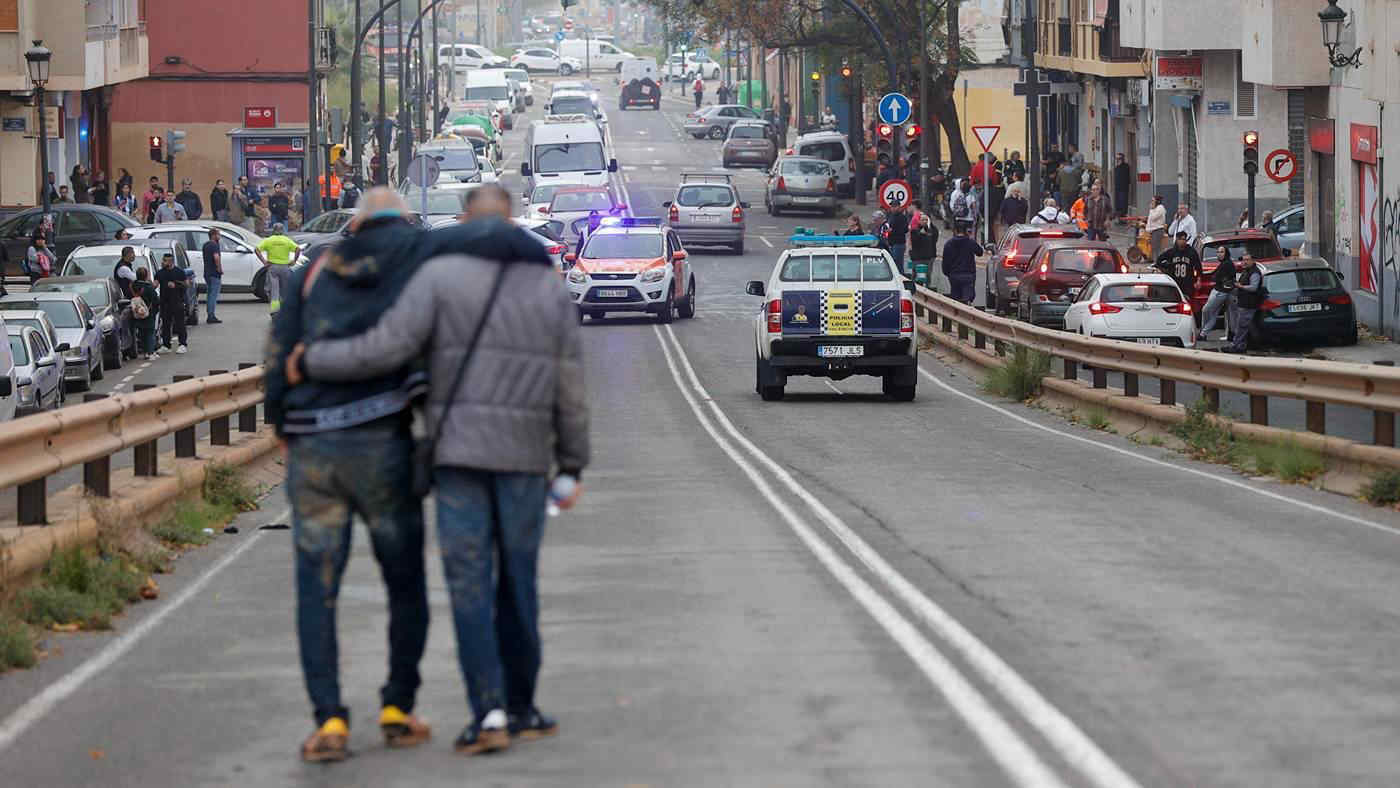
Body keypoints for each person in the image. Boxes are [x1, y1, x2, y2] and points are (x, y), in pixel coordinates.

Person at [273, 186, 581, 760]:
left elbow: (336, 348)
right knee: (465, 581)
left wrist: (297, 393)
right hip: (461, 449)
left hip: (386, 448)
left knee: (350, 588)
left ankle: (360, 719)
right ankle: (461, 707)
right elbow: (566, 380)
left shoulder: (366, 273)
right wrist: (572, 460)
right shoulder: (492, 272)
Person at [257, 222, 301, 316]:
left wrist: (264, 262)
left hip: (273, 267)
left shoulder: (269, 240)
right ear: (282, 230)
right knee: (285, 290)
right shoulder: (287, 240)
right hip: (285, 268)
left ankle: (274, 311)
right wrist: (294, 261)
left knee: (274, 290)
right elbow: (298, 249)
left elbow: (257, 249)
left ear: (273, 230)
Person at [1198, 246, 1236, 342]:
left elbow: (1217, 277)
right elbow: (1215, 274)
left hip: (1220, 292)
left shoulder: (1227, 264)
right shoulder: (1224, 263)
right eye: (1218, 252)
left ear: (1226, 253)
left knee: (1207, 310)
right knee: (1223, 314)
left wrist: (1215, 278)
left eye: (1222, 252)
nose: (1219, 254)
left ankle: (1203, 333)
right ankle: (1204, 333)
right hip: (1223, 291)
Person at [154, 252, 188, 354]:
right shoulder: (160, 273)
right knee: (165, 324)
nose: (162, 262)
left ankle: (182, 344)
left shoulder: (179, 272)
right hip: (165, 302)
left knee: (180, 324)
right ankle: (166, 345)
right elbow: (155, 284)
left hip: (177, 301)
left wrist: (176, 285)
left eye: (164, 260)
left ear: (170, 261)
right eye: (163, 260)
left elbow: (186, 284)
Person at [1154, 231, 1203, 302]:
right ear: (1177, 240)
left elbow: (1198, 267)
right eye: (1181, 239)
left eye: (1184, 239)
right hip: (1175, 282)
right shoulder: (1172, 252)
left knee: (1187, 302)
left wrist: (1198, 280)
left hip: (1188, 283)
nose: (1183, 241)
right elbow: (1159, 261)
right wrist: (1167, 266)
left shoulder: (1191, 252)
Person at [1228, 253, 1263, 353]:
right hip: (1244, 303)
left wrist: (1241, 287)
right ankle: (1241, 346)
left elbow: (1254, 287)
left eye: (1247, 260)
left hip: (1249, 304)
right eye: (1243, 260)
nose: (1245, 262)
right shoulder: (1246, 271)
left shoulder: (1255, 272)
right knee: (1243, 326)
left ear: (1253, 261)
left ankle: (1235, 346)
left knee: (1242, 326)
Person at [941, 222, 983, 304]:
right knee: (967, 298)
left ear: (955, 231)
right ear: (966, 231)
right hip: (968, 274)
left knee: (955, 298)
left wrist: (947, 273)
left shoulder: (949, 244)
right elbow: (980, 252)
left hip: (954, 275)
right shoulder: (970, 242)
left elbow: (945, 261)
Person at [131, 267, 160, 360]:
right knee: (150, 332)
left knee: (141, 332)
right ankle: (150, 352)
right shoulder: (148, 287)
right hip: (148, 313)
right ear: (146, 275)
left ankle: (145, 352)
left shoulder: (133, 286)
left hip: (136, 313)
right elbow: (155, 300)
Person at [202, 227, 225, 324]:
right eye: (218, 234)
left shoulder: (206, 245)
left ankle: (209, 314)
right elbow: (216, 258)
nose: (219, 236)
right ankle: (211, 316)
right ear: (214, 235)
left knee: (209, 294)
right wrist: (219, 269)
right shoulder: (214, 245)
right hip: (214, 273)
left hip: (207, 272)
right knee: (213, 295)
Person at [908, 213, 938, 280]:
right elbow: (914, 242)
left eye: (926, 220)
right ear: (919, 221)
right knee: (916, 276)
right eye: (923, 220)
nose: (924, 221)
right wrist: (921, 234)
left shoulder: (931, 230)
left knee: (928, 275)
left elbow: (934, 239)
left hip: (928, 257)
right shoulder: (915, 231)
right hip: (917, 258)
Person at [884, 202, 911, 275]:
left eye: (895, 206)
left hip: (899, 243)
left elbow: (905, 230)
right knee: (892, 263)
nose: (893, 208)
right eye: (892, 206)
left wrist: (892, 231)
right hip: (891, 243)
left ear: (899, 207)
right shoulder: (891, 216)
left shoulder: (902, 217)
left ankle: (900, 277)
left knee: (897, 263)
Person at [1112, 153, 1131, 217]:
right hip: (1117, 188)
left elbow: (1126, 178)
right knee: (1118, 204)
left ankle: (1123, 217)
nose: (1117, 160)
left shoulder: (1125, 166)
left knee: (1123, 203)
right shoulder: (1116, 167)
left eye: (1119, 158)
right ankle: (1119, 217)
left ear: (1122, 159)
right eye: (1116, 159)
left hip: (1123, 188)